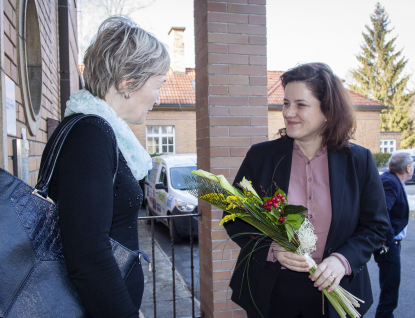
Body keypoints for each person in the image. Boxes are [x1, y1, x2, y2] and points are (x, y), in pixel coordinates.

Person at [223, 63, 389, 318]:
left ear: (327, 111)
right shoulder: (261, 157)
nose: (289, 112)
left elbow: (376, 227)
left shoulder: (359, 161)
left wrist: (342, 260)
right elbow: (234, 216)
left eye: (300, 104)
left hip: (336, 291)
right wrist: (272, 248)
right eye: (285, 103)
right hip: (271, 291)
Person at [39, 16, 169, 317]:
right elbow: (88, 255)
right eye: (158, 84)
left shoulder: (97, 130)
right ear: (127, 82)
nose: (159, 99)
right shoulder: (91, 135)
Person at [374, 152, 413, 318]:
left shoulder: (394, 180)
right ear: (407, 168)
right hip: (388, 245)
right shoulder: (390, 182)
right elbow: (383, 213)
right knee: (390, 288)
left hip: (390, 243)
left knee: (390, 286)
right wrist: (388, 242)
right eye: (412, 164)